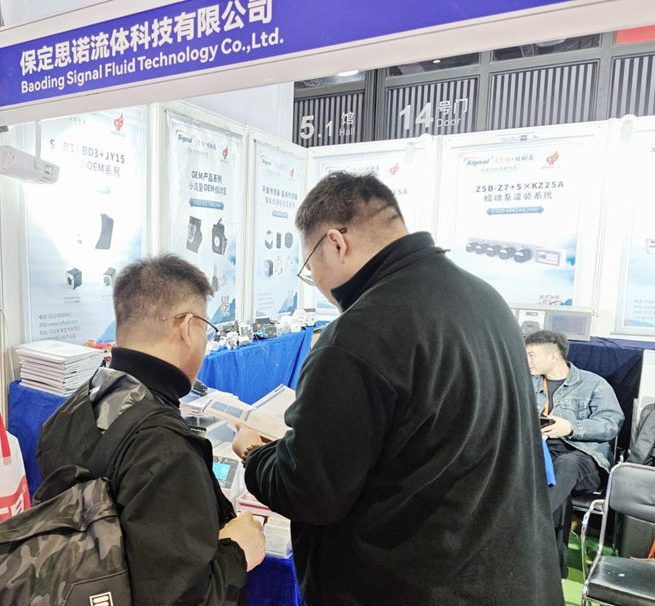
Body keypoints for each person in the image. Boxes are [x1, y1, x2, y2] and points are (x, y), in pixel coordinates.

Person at [232, 172, 563, 605]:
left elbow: (310, 492)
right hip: (508, 574)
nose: (319, 284)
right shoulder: (486, 299)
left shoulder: (360, 334)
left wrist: (255, 455)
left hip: (414, 584)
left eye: (310, 267)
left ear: (335, 243)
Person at [36, 255, 264, 605]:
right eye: (206, 329)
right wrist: (237, 552)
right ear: (187, 327)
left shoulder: (75, 406)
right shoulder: (165, 448)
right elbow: (181, 598)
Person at [525, 330, 623, 576]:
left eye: (532, 355)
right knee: (554, 484)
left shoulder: (594, 384)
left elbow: (611, 423)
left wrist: (571, 428)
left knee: (565, 467)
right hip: (543, 456)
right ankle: (553, 573)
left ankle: (527, 526)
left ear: (553, 356)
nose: (527, 361)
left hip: (584, 459)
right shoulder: (527, 383)